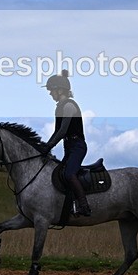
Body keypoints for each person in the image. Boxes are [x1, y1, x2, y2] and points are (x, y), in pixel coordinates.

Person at [41, 70, 91, 217]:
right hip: (68, 147)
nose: (50, 94)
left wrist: (48, 146)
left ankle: (84, 206)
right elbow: (57, 131)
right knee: (60, 173)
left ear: (60, 90)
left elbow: (62, 131)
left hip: (78, 146)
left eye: (52, 90)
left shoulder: (69, 106)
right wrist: (45, 146)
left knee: (69, 174)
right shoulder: (59, 107)